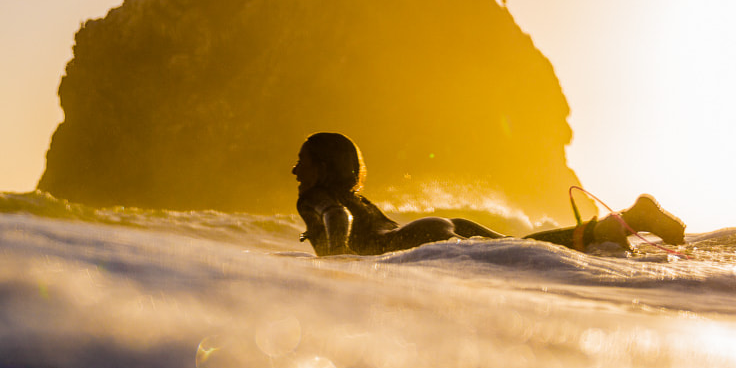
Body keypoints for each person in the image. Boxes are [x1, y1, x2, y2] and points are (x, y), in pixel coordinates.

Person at [293, 132, 686, 257]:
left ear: (323, 169)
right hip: (428, 232)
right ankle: (625, 221)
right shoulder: (355, 197)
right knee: (525, 247)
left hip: (420, 242)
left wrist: (338, 261)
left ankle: (619, 225)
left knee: (522, 254)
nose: (295, 171)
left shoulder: (315, 196)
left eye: (302, 163)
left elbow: (336, 219)